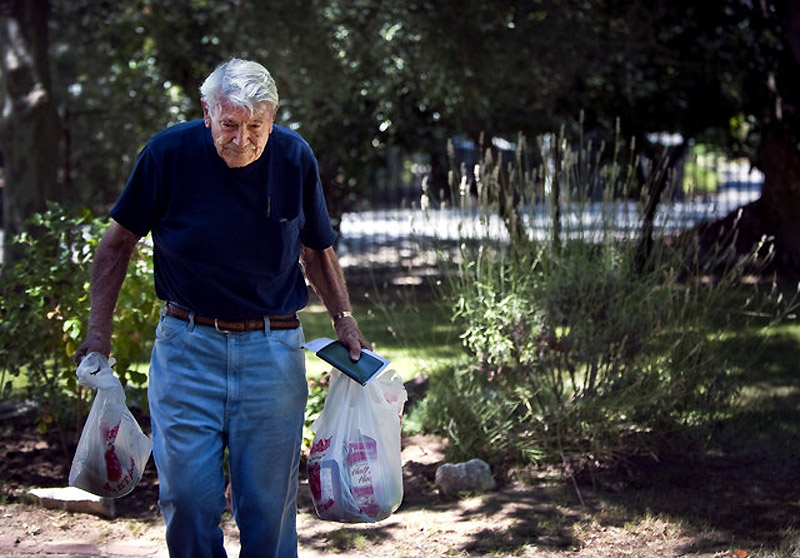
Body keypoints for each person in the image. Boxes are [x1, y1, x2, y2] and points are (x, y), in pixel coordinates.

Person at [74, 58, 371, 558]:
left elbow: (316, 249)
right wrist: (98, 333)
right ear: (207, 114)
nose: (242, 139)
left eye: (256, 126)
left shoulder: (294, 157)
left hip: (272, 352)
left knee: (267, 509)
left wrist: (345, 320)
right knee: (188, 499)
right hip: (187, 349)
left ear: (272, 118)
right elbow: (116, 243)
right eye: (229, 124)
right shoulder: (168, 154)